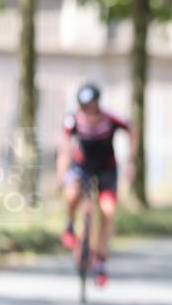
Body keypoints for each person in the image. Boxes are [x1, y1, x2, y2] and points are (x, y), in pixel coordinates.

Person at [56, 83, 136, 287]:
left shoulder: (110, 119)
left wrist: (131, 161)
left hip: (106, 169)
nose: (87, 110)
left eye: (90, 106)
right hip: (82, 167)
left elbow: (132, 128)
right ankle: (70, 225)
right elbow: (64, 148)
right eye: (83, 106)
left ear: (98, 104)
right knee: (73, 192)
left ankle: (100, 260)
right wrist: (61, 175)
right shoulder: (72, 121)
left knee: (108, 211)